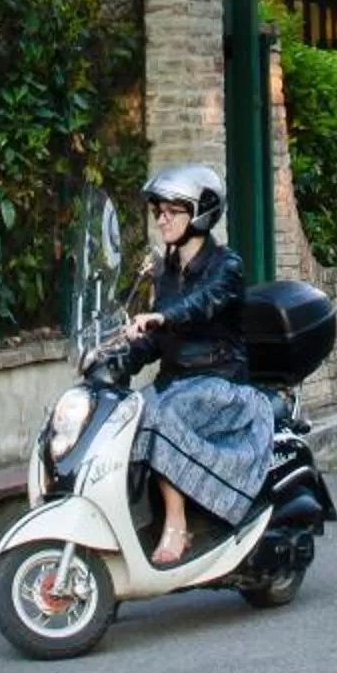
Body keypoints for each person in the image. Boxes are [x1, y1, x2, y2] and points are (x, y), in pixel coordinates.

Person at [123, 163, 273, 567]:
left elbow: (201, 304)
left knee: (158, 414)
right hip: (177, 383)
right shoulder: (167, 271)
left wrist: (163, 317)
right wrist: (119, 355)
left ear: (201, 213)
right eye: (159, 211)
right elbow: (157, 338)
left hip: (221, 384)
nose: (162, 218)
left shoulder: (227, 266)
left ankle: (178, 524)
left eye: (173, 210)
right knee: (122, 415)